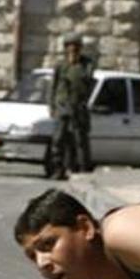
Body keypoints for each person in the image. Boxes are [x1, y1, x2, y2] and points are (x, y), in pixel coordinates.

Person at [49, 32, 95, 180]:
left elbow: (88, 81)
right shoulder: (61, 65)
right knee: (58, 140)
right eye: (69, 46)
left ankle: (82, 170)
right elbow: (53, 87)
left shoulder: (86, 64)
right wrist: (52, 106)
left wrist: (75, 64)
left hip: (78, 106)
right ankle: (58, 169)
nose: (72, 49)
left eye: (75, 46)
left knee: (80, 140)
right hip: (63, 105)